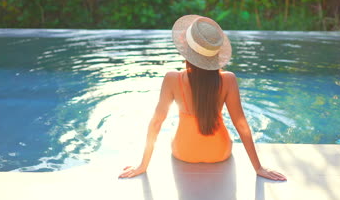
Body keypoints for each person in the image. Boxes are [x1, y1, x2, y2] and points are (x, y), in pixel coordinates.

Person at [119, 15, 286, 181]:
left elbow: (156, 122)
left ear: (186, 50)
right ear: (216, 54)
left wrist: (143, 165)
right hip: (219, 152)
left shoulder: (172, 79)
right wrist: (258, 167)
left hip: (184, 152)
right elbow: (241, 124)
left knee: (172, 134)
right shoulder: (228, 80)